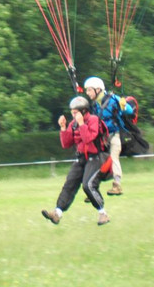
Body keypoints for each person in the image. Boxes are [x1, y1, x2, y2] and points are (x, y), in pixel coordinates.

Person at [42, 95, 110, 226]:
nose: (73, 116)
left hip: (94, 158)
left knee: (88, 185)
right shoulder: (73, 124)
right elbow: (66, 144)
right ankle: (57, 213)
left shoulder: (93, 120)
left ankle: (103, 213)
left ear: (83, 111)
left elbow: (88, 138)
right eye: (72, 113)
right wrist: (63, 128)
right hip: (80, 158)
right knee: (69, 184)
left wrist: (81, 124)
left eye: (75, 113)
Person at [83, 75, 134, 196]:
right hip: (101, 137)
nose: (87, 93)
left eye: (89, 90)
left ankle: (117, 185)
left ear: (98, 89)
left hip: (114, 134)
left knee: (114, 157)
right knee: (96, 161)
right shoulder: (94, 105)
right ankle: (92, 189)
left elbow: (130, 111)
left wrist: (124, 106)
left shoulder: (113, 99)